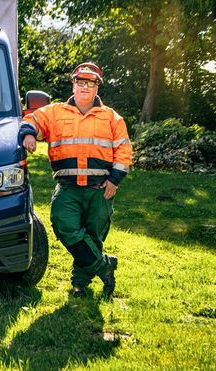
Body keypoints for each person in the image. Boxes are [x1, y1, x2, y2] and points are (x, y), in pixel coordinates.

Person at [19, 62, 132, 298]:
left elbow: (123, 150)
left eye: (90, 83)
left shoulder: (111, 117)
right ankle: (104, 266)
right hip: (68, 187)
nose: (84, 87)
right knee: (63, 224)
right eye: (80, 82)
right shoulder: (55, 112)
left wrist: (114, 180)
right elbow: (30, 120)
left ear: (97, 87)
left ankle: (80, 284)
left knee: (93, 235)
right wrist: (28, 133)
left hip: (101, 189)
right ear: (73, 84)